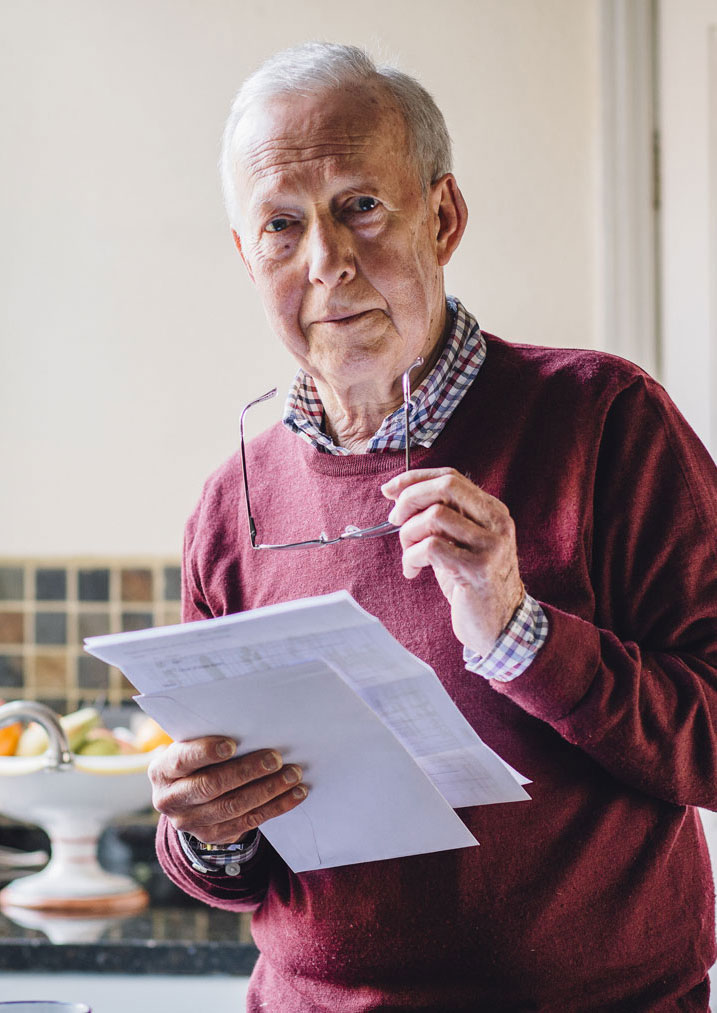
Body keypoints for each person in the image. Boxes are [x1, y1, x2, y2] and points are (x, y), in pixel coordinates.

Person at [149, 42, 717, 1011]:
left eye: (361, 206)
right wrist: (206, 829)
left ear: (442, 215)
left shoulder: (607, 420)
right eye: (283, 226)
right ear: (251, 258)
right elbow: (227, 867)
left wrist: (517, 631)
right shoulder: (229, 500)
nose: (327, 262)